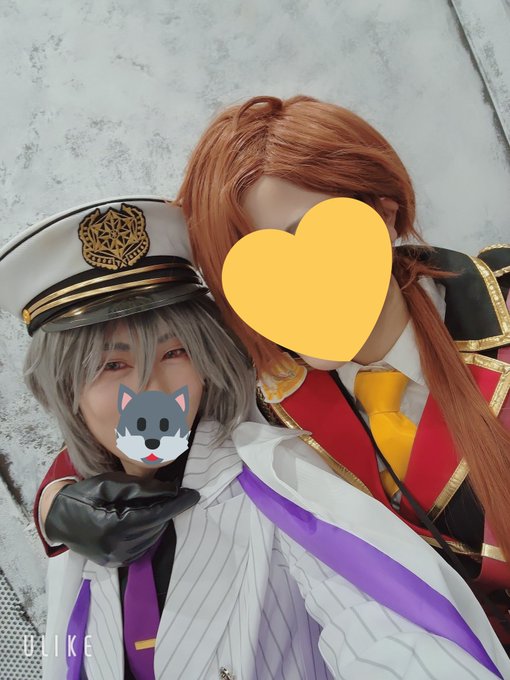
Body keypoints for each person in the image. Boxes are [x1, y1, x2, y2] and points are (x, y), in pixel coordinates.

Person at [1, 197, 510, 679]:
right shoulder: (81, 523)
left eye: (176, 354)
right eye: (112, 365)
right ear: (63, 387)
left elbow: (383, 631)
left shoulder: (277, 480)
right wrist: (54, 503)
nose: (150, 390)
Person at [175, 95, 510, 643]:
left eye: (313, 238)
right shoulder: (263, 404)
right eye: (255, 268)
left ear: (383, 214)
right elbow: (139, 413)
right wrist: (59, 494)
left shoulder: (502, 306)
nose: (294, 286)